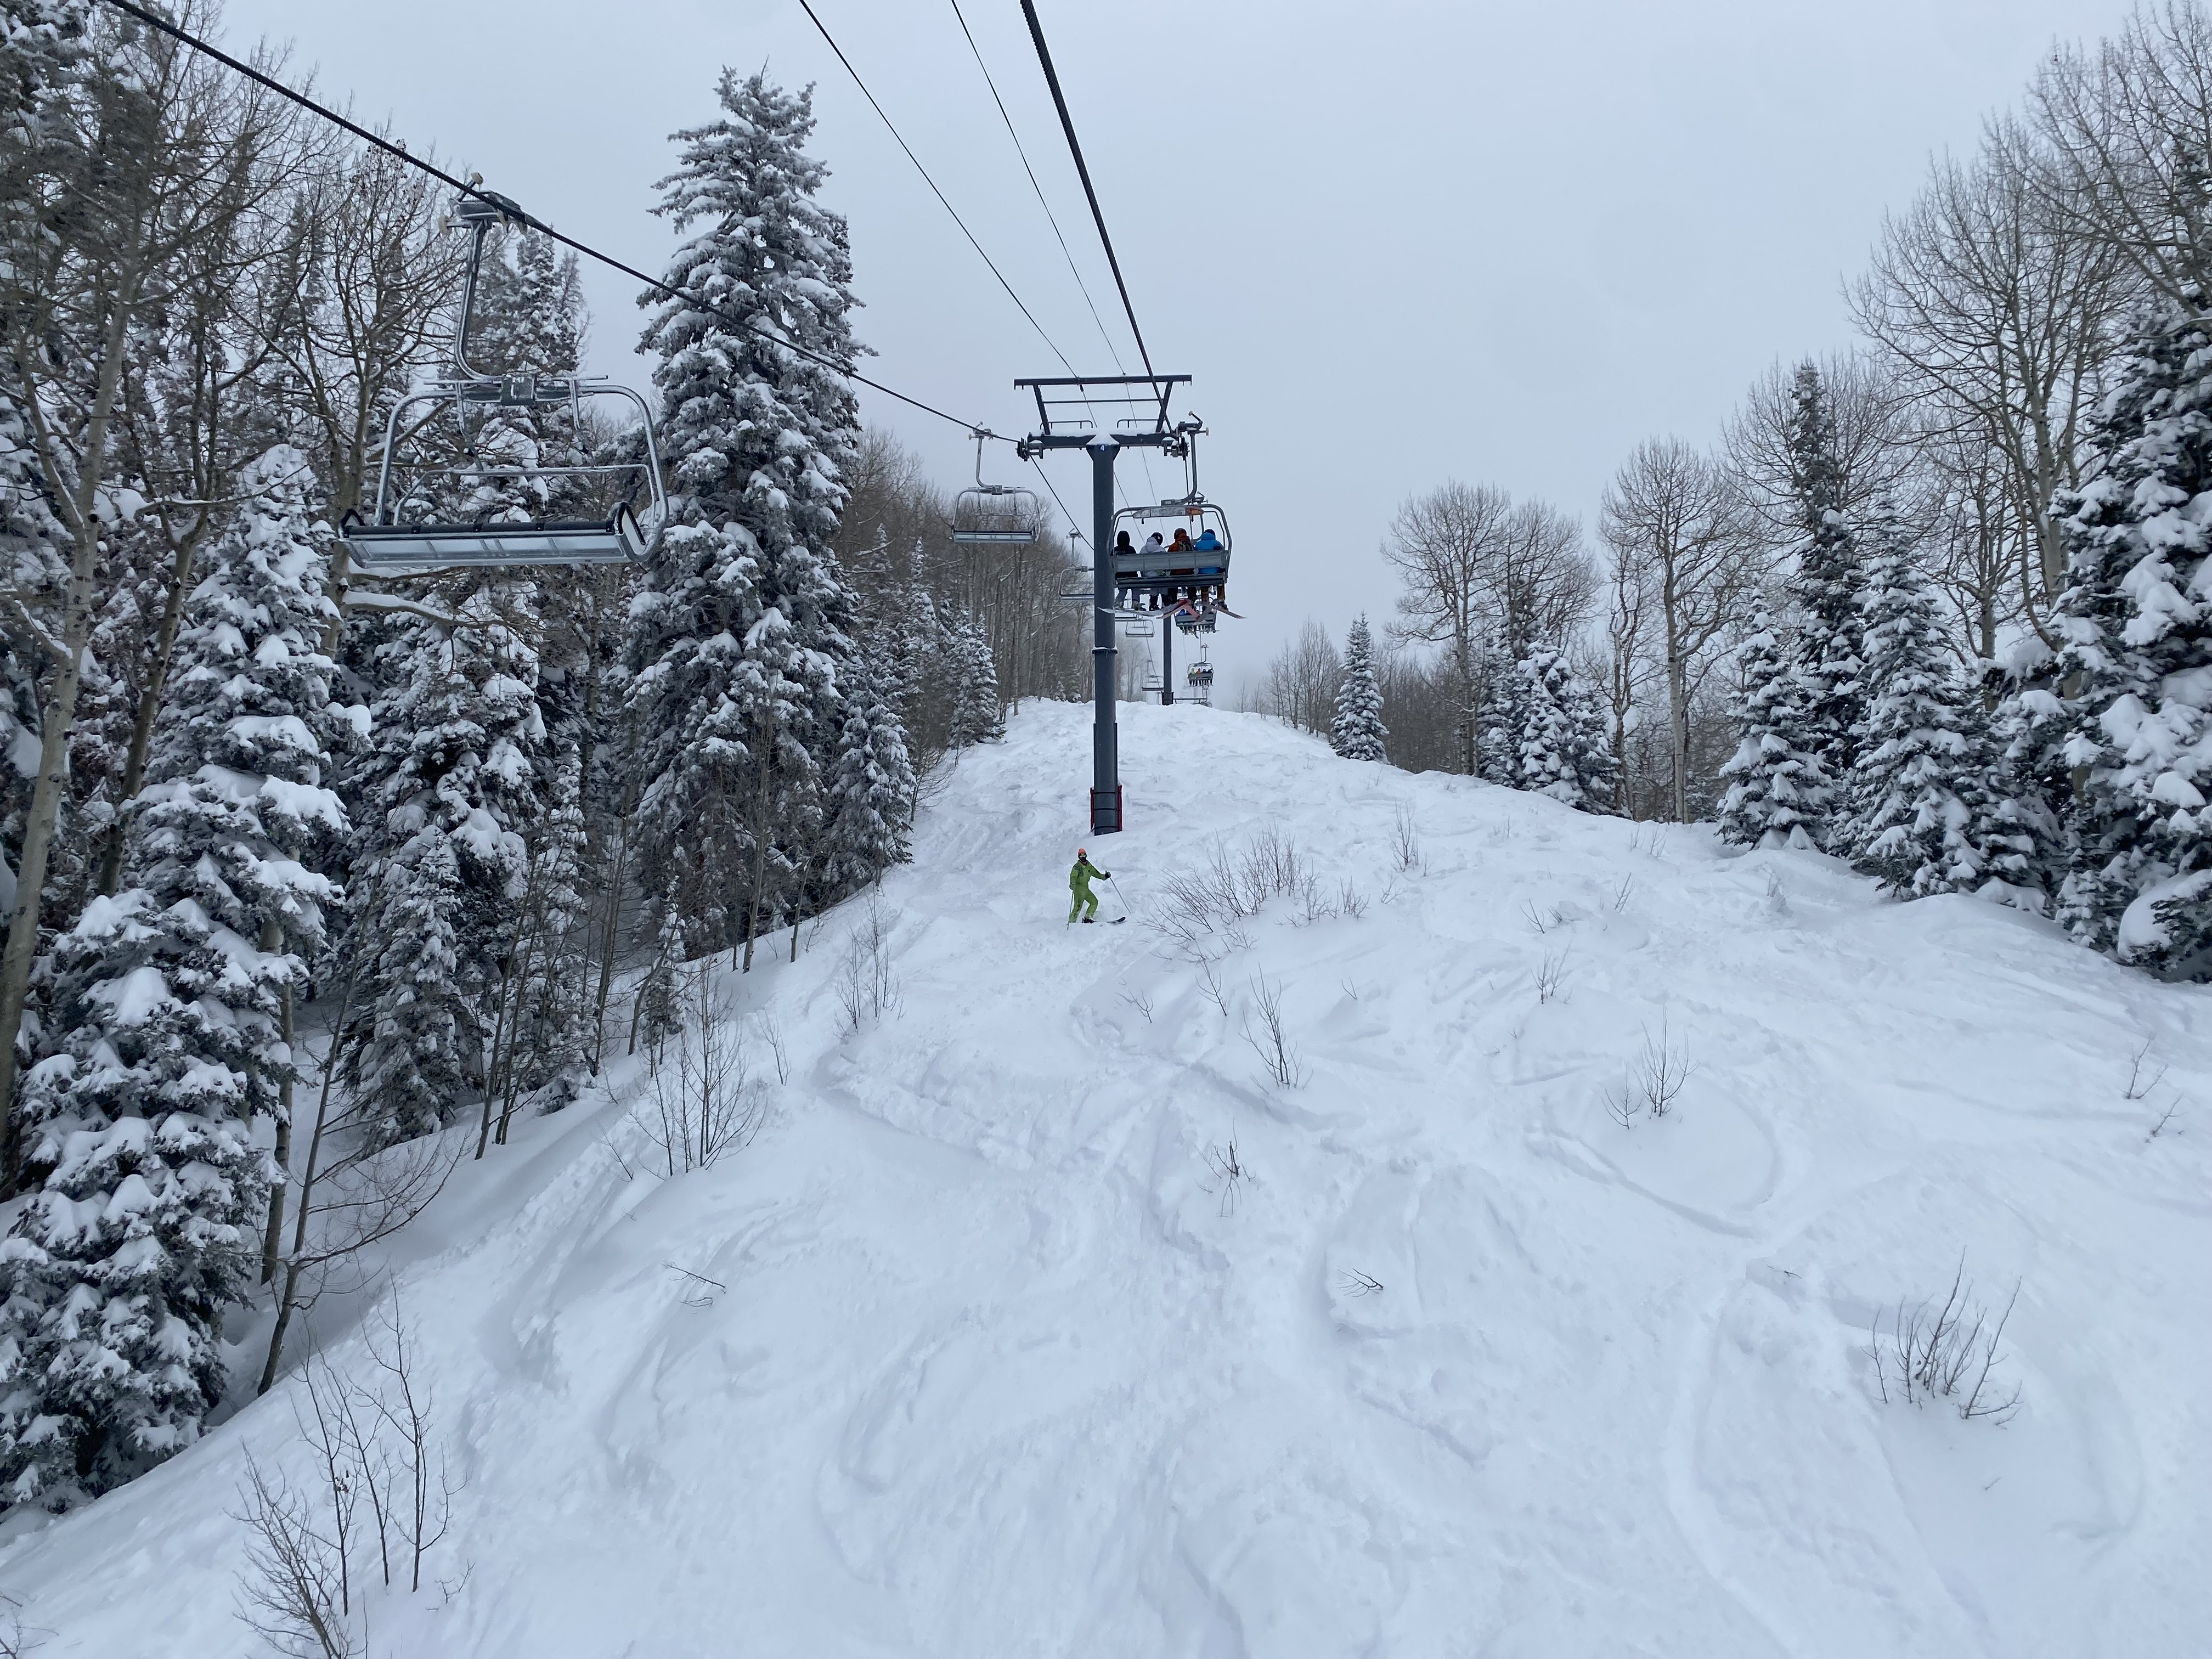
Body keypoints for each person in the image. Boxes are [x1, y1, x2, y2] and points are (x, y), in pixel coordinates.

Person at [1069, 848, 1110, 923]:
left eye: (1084, 855)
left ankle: (1088, 918)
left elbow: (1096, 873)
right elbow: (1073, 877)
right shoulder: (1077, 867)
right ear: (1079, 857)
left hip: (1085, 888)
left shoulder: (1089, 866)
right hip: (1078, 889)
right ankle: (1071, 923)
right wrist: (1073, 884)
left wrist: (1105, 877)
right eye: (1081, 855)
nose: (1083, 857)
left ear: (1086, 855)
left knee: (1094, 902)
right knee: (1077, 908)